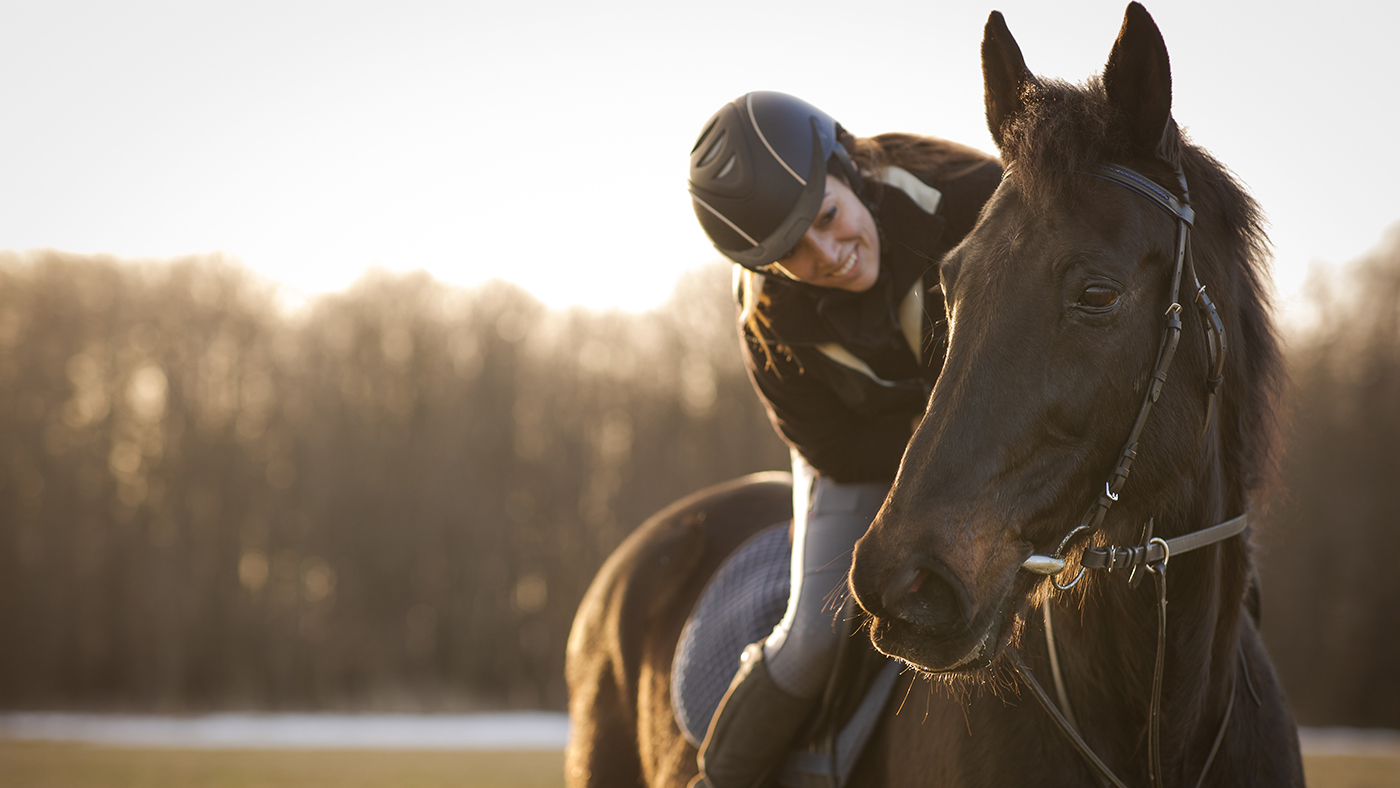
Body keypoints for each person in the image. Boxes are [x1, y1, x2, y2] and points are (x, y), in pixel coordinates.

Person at [685, 91, 1003, 788]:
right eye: (795, 254)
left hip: (995, 440)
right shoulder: (767, 316)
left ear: (848, 170)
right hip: (860, 459)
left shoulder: (976, 197)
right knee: (813, 637)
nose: (827, 254)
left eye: (826, 218)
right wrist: (930, 457)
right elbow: (829, 445)